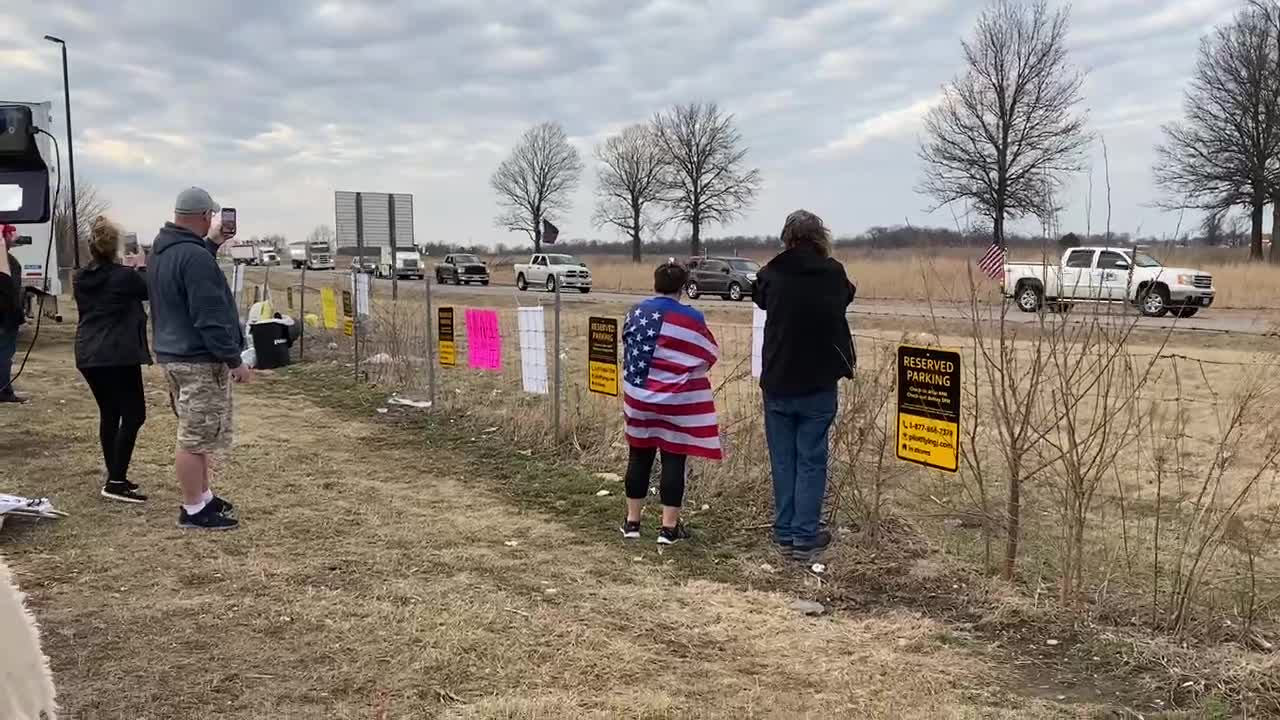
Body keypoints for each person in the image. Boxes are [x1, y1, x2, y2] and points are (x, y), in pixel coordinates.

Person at [754, 210, 856, 562]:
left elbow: (759, 296)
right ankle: (804, 535)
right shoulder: (833, 272)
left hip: (779, 379)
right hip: (818, 381)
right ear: (821, 237)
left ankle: (784, 532)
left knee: (783, 460)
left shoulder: (773, 272)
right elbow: (848, 295)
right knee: (811, 459)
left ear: (787, 237)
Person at [149, 187, 251, 531]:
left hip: (174, 354)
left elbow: (190, 267)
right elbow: (208, 315)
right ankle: (193, 508)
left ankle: (204, 496)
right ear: (206, 215)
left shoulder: (165, 250)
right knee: (194, 439)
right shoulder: (194, 258)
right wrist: (233, 359)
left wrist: (213, 244)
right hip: (197, 359)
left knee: (200, 433)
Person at [620, 260, 722, 545]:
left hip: (638, 398)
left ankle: (632, 523)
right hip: (676, 401)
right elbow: (708, 354)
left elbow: (627, 346)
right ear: (682, 287)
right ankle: (668, 529)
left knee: (639, 455)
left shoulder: (636, 311)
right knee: (674, 457)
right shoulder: (692, 318)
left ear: (655, 284)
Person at [74, 217, 153, 503]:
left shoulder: (80, 277)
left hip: (88, 353)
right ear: (115, 246)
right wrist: (141, 264)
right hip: (117, 353)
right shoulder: (125, 276)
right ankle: (116, 480)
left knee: (110, 413)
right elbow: (149, 290)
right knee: (134, 414)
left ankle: (114, 475)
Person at [0, 224, 26, 403]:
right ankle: (4, 391)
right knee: (4, 354)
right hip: (5, 319)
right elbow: (11, 293)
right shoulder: (10, 263)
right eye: (11, 234)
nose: (14, 237)